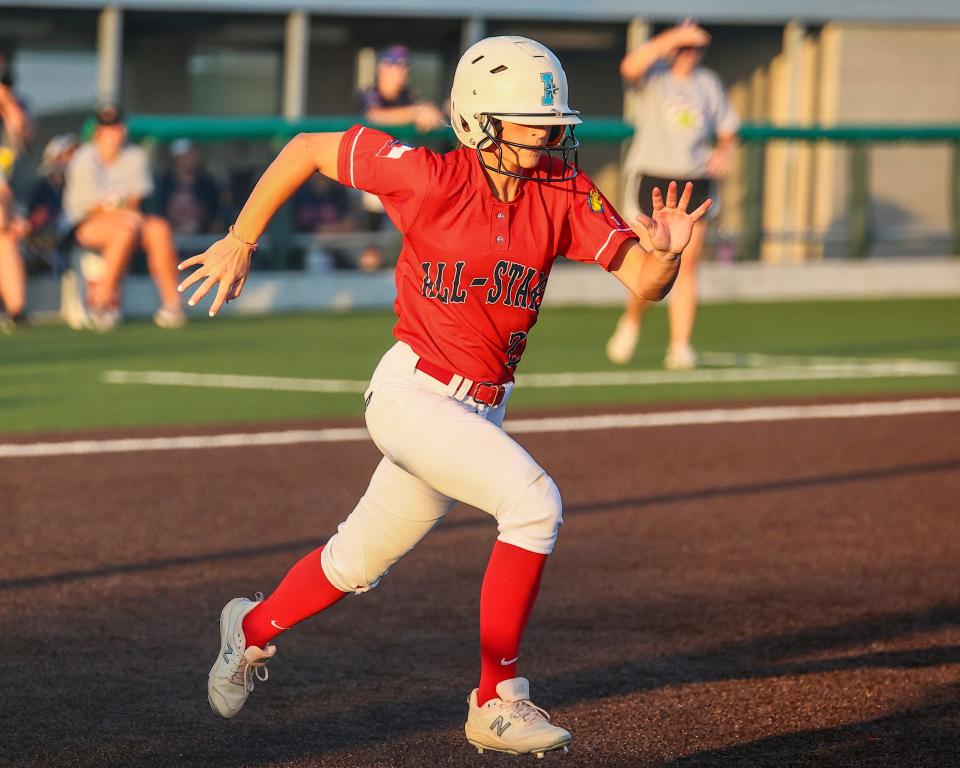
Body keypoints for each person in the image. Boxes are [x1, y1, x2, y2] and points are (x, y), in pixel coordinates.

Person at [180, 36, 710, 757]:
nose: (549, 133)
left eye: (552, 120)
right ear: (479, 120)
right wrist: (241, 238)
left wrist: (669, 255)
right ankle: (497, 698)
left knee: (354, 562)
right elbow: (306, 146)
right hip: (412, 392)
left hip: (481, 405)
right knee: (533, 503)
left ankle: (247, 629)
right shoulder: (427, 176)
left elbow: (645, 283)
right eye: (529, 119)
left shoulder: (560, 189)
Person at [605, 20, 739, 369]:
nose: (691, 54)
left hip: (693, 181)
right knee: (650, 260)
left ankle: (680, 345)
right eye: (686, 47)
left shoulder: (708, 83)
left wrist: (724, 152)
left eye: (696, 48)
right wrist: (674, 37)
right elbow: (630, 66)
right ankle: (633, 320)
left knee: (687, 265)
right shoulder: (655, 77)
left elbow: (728, 130)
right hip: (654, 180)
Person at [62, 104, 186, 330]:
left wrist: (120, 211)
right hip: (83, 225)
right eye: (108, 128)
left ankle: (172, 305)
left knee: (159, 229)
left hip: (128, 220)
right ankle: (102, 304)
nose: (113, 133)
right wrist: (120, 212)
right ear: (98, 131)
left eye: (117, 127)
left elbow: (135, 200)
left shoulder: (135, 155)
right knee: (124, 229)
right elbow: (89, 208)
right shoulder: (84, 158)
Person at [357, 44, 446, 272]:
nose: (402, 71)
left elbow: (426, 112)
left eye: (405, 66)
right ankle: (367, 258)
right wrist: (416, 112)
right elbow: (375, 117)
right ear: (383, 68)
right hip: (364, 171)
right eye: (397, 65)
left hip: (400, 174)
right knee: (370, 230)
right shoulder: (370, 93)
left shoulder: (409, 96)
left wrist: (429, 110)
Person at [0, 59, 32, 332]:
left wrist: (6, 101)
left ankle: (17, 311)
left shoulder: (13, 113)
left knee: (6, 239)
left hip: (6, 213)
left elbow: (21, 131)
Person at [24, 133, 79, 273]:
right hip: (46, 244)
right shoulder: (42, 188)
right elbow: (35, 219)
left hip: (70, 243)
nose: (71, 160)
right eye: (67, 155)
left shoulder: (76, 186)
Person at [155, 138, 224, 235]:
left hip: (203, 237)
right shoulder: (164, 183)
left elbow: (216, 215)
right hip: (170, 235)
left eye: (192, 153)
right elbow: (158, 215)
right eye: (185, 155)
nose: (189, 158)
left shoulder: (207, 183)